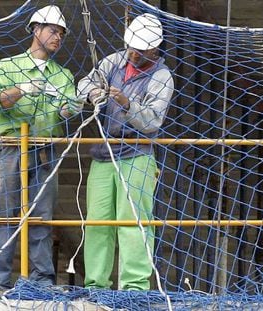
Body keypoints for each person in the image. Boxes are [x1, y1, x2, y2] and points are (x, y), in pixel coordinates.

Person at [77, 13, 174, 290]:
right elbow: (84, 83)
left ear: (154, 49)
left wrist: (125, 102)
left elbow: (153, 122)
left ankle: (134, 286)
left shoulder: (161, 76)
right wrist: (93, 93)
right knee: (97, 222)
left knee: (134, 221)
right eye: (131, 47)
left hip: (137, 154)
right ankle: (96, 285)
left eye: (140, 50)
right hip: (104, 152)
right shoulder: (113, 61)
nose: (133, 53)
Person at [0, 5, 82, 289]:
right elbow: (1, 100)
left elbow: (66, 111)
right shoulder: (7, 67)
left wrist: (71, 107)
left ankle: (41, 281)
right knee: (5, 215)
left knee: (42, 218)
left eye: (61, 33)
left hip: (46, 149)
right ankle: (0, 280)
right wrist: (23, 88)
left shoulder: (63, 75)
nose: (58, 37)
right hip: (11, 147)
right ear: (36, 30)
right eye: (52, 30)